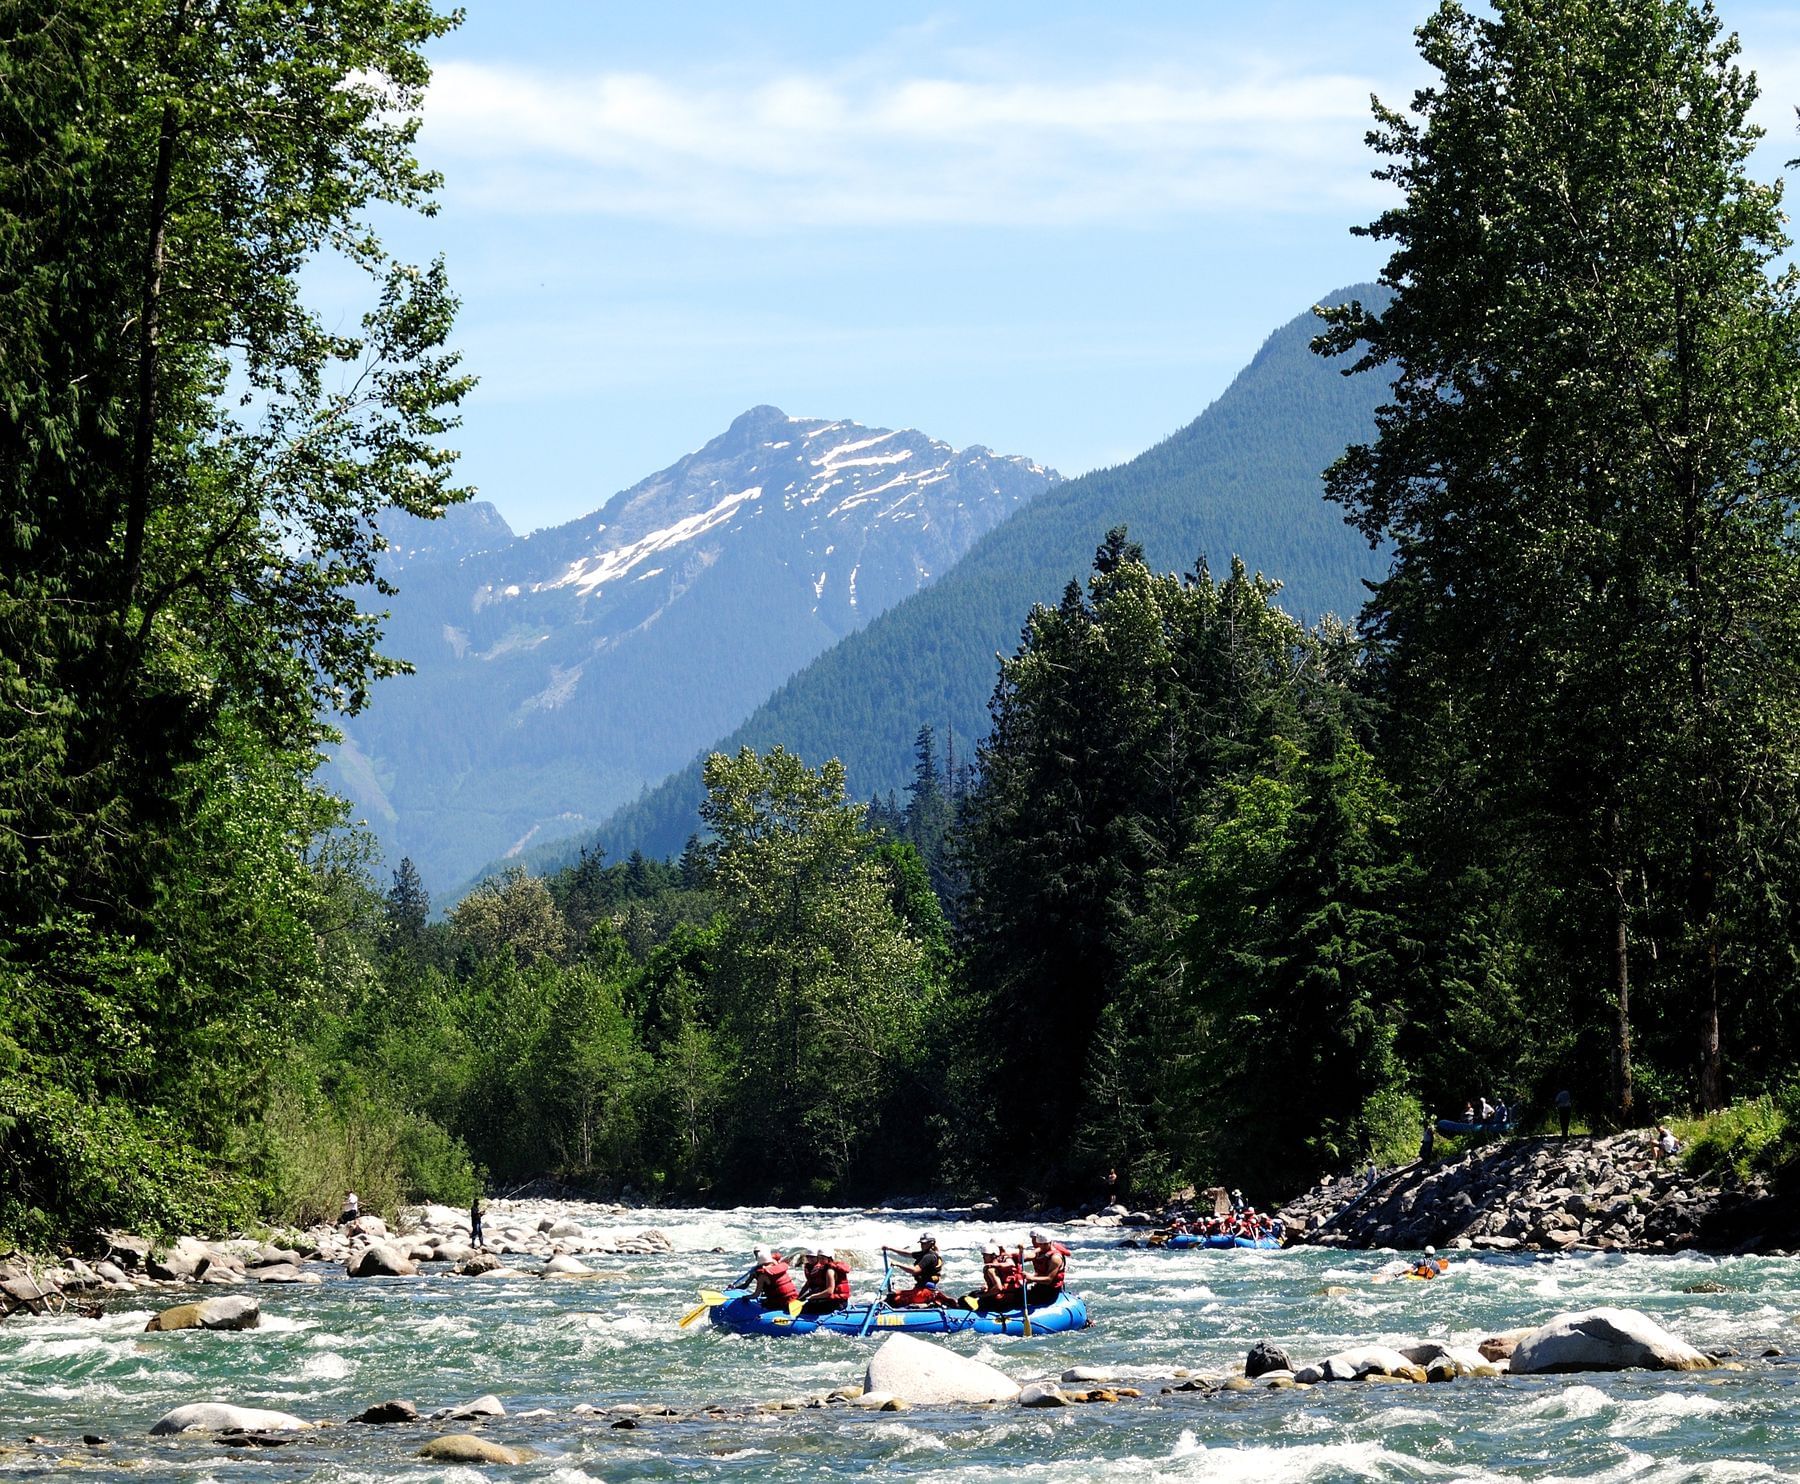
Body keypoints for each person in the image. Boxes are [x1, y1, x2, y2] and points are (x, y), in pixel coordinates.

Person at [882, 1234, 945, 1306]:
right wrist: (890, 1248)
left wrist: (898, 1264)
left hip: (926, 1292)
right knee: (892, 1295)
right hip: (920, 1289)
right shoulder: (924, 1253)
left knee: (895, 1299)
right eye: (921, 1243)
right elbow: (907, 1254)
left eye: (924, 1243)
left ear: (931, 1243)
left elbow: (915, 1270)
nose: (922, 1245)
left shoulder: (929, 1257)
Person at [959, 1242, 1021, 1312]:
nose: (983, 1257)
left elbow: (998, 1288)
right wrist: (986, 1287)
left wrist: (983, 1296)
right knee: (975, 1293)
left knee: (967, 1297)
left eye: (985, 1255)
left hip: (999, 1302)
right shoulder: (1000, 1266)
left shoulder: (991, 1270)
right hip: (1010, 1299)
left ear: (993, 1255)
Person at [797, 1250, 851, 1315]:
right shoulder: (827, 1268)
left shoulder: (830, 1271)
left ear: (829, 1258)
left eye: (823, 1258)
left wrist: (813, 1296)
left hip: (838, 1303)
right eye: (819, 1258)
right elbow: (809, 1284)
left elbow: (829, 1292)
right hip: (839, 1301)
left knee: (804, 1309)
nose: (820, 1260)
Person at [1022, 1229, 1068, 1307]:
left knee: (1020, 1299)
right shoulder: (1039, 1251)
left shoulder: (1055, 1258)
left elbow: (1049, 1280)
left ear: (1050, 1243)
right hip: (1039, 1287)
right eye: (1040, 1244)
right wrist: (1019, 1255)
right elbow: (1028, 1256)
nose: (1043, 1246)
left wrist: (1031, 1278)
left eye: (1045, 1244)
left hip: (1050, 1291)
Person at [750, 1246, 799, 1311]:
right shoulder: (777, 1264)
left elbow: (755, 1295)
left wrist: (745, 1298)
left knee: (764, 1303)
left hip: (780, 1303)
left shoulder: (762, 1275)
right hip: (794, 1298)